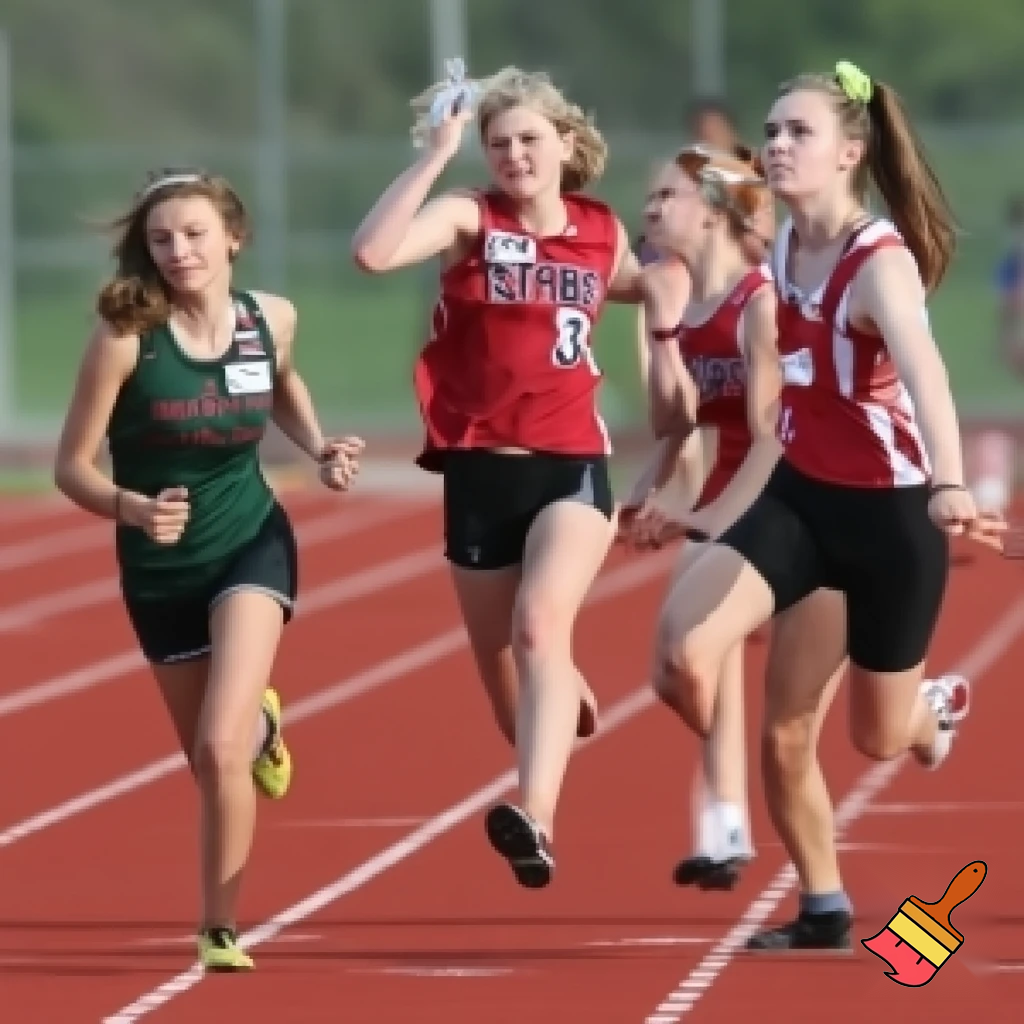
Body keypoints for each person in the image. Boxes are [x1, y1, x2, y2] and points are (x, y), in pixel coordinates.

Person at [653, 60, 1004, 950]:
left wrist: (952, 481)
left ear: (850, 153)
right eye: (771, 130)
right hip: (801, 499)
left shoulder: (877, 264)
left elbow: (928, 375)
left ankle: (928, 711)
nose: (776, 144)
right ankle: (823, 907)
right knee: (695, 664)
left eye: (797, 132)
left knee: (877, 739)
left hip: (889, 520)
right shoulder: (780, 238)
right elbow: (708, 191)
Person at [53, 168, 363, 970]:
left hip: (250, 538)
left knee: (222, 749)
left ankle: (218, 928)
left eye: (194, 234)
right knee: (208, 757)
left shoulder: (271, 318)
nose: (178, 251)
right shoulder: (125, 338)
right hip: (160, 566)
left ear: (234, 238)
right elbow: (71, 468)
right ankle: (264, 725)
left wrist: (319, 446)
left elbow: (282, 381)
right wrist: (130, 507)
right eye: (161, 238)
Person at [351, 62, 642, 888]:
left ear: (566, 143)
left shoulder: (601, 229)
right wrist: (435, 155)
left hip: (571, 466)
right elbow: (372, 253)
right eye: (499, 142)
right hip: (479, 471)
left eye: (529, 139)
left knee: (540, 625)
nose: (514, 155)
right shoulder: (469, 217)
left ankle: (536, 817)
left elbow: (661, 282)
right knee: (508, 688)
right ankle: (552, 702)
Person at [620, 144, 788, 891]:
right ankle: (727, 823)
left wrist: (704, 518)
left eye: (669, 196)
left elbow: (774, 438)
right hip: (727, 492)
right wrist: (645, 488)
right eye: (651, 197)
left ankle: (925, 709)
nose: (652, 208)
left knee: (867, 714)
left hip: (794, 492)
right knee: (679, 667)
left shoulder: (761, 304)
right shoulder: (687, 309)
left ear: (715, 211)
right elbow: (678, 424)